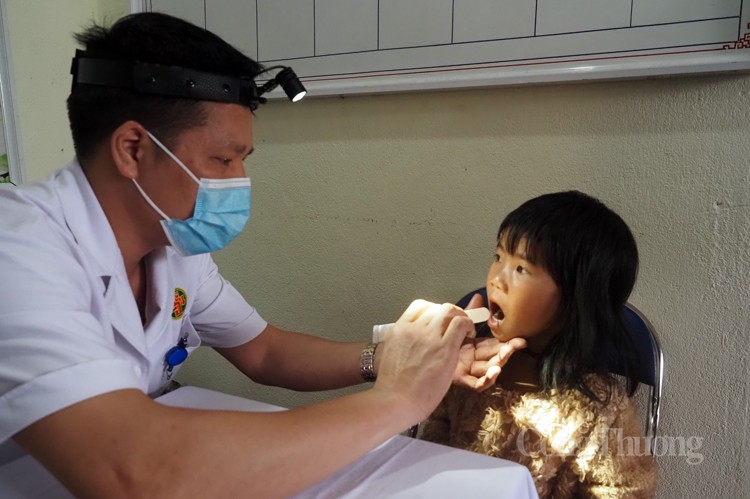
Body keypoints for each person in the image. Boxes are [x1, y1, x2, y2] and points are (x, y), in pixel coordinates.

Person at [0, 13, 523, 497]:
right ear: (133, 149)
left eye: (242, 160)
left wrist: (390, 357)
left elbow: (265, 351)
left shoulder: (172, 246)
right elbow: (135, 469)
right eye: (223, 159)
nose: (239, 181)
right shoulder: (18, 251)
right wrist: (401, 398)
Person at [421, 191, 658, 498]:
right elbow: (430, 452)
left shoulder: (601, 411)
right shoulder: (464, 370)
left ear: (575, 302)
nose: (496, 280)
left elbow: (626, 492)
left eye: (521, 269)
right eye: (498, 257)